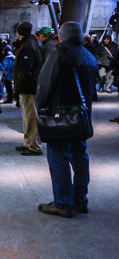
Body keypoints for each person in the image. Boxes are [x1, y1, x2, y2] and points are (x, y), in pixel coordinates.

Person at [35, 21, 98, 218]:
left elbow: (44, 87)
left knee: (58, 158)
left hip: (60, 118)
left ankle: (62, 202)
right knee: (80, 158)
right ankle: (80, 200)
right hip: (82, 118)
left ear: (61, 36)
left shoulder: (59, 54)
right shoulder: (89, 56)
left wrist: (40, 110)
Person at [13, 21, 44, 156]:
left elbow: (26, 71)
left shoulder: (27, 47)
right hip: (29, 87)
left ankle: (35, 147)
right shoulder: (31, 44)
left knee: (31, 118)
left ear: (19, 33)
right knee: (28, 118)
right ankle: (28, 143)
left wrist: (18, 88)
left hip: (29, 88)